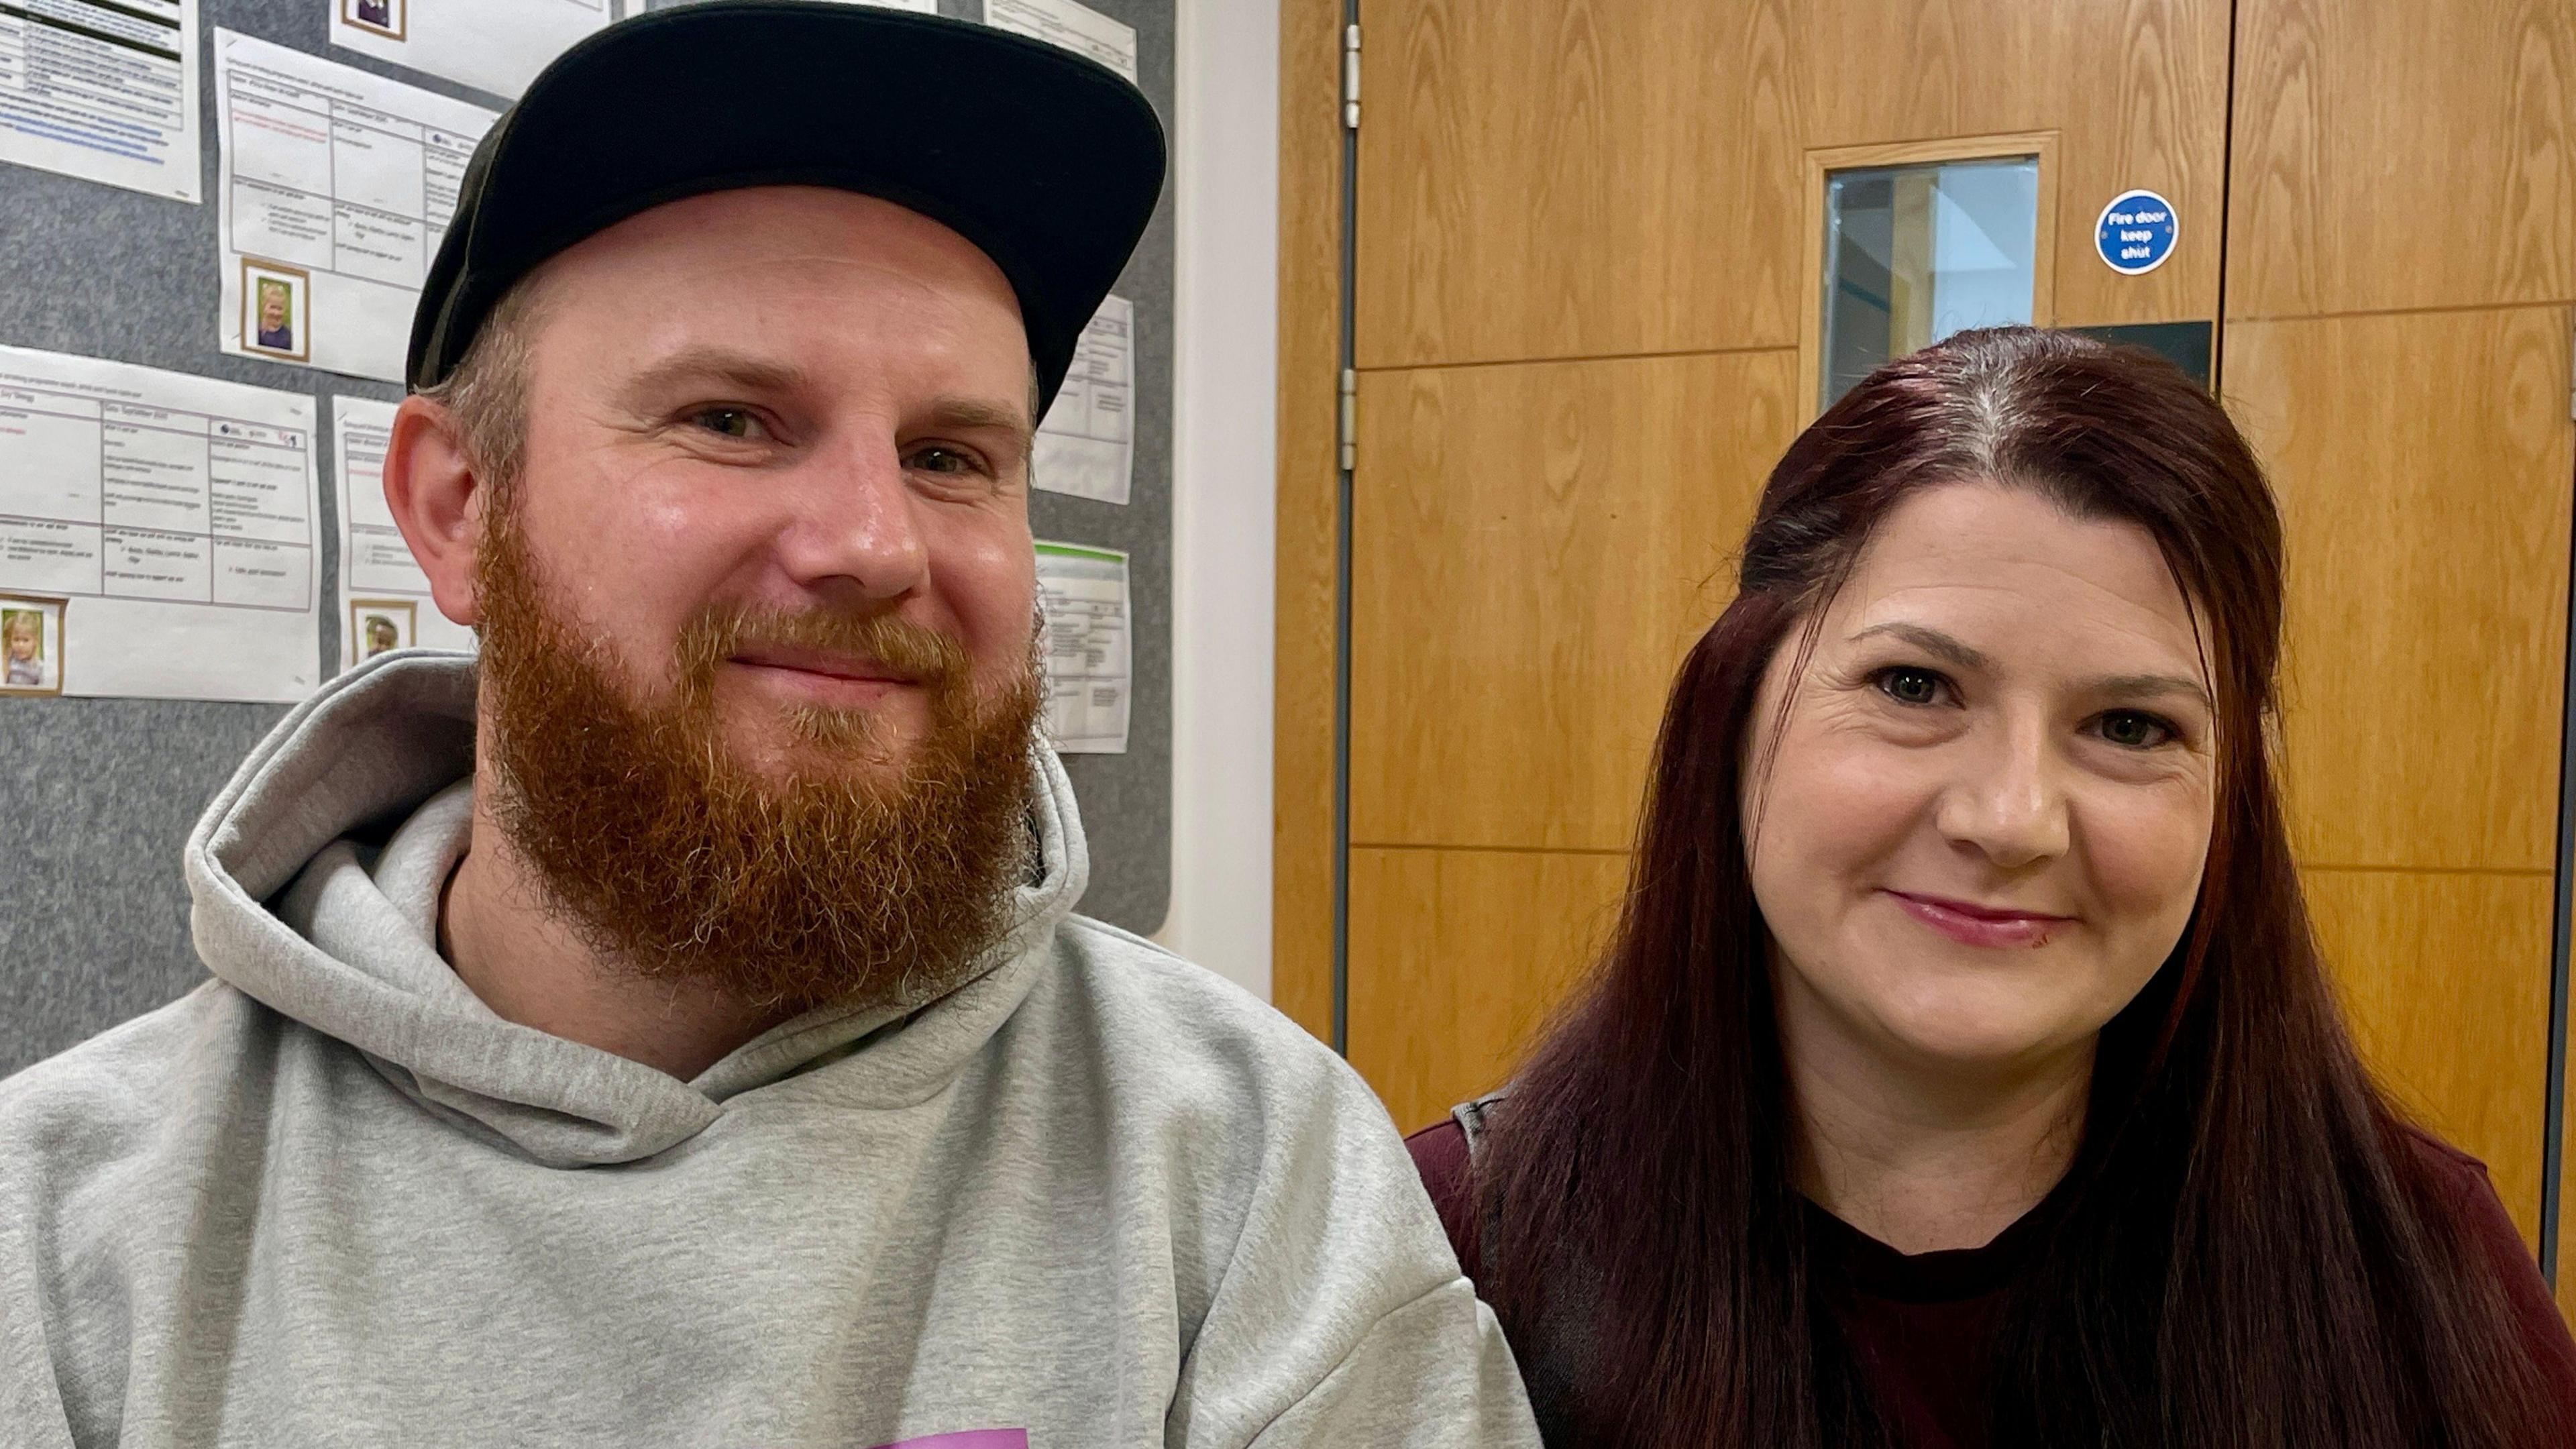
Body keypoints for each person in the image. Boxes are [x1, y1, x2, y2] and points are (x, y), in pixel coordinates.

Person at [0, 7, 1538, 1447]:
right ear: (460, 506)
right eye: (731, 418)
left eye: (948, 453)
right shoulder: (71, 1240)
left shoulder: (1247, 1172)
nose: (875, 544)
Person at [1409, 327, 2576, 1448]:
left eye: (2130, 725)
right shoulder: (1442, 1253)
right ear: (1734, 705)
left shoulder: (2415, 1270)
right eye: (1914, 686)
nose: (2010, 818)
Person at [1, 608, 46, 690]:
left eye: (26, 640)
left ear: (35, 641)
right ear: (10, 640)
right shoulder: (8, 660)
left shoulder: (38, 667)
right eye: (16, 639)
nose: (20, 645)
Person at [254, 278, 294, 352]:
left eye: (280, 309)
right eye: (273, 307)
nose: (276, 313)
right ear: (264, 306)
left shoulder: (287, 338)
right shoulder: (254, 330)